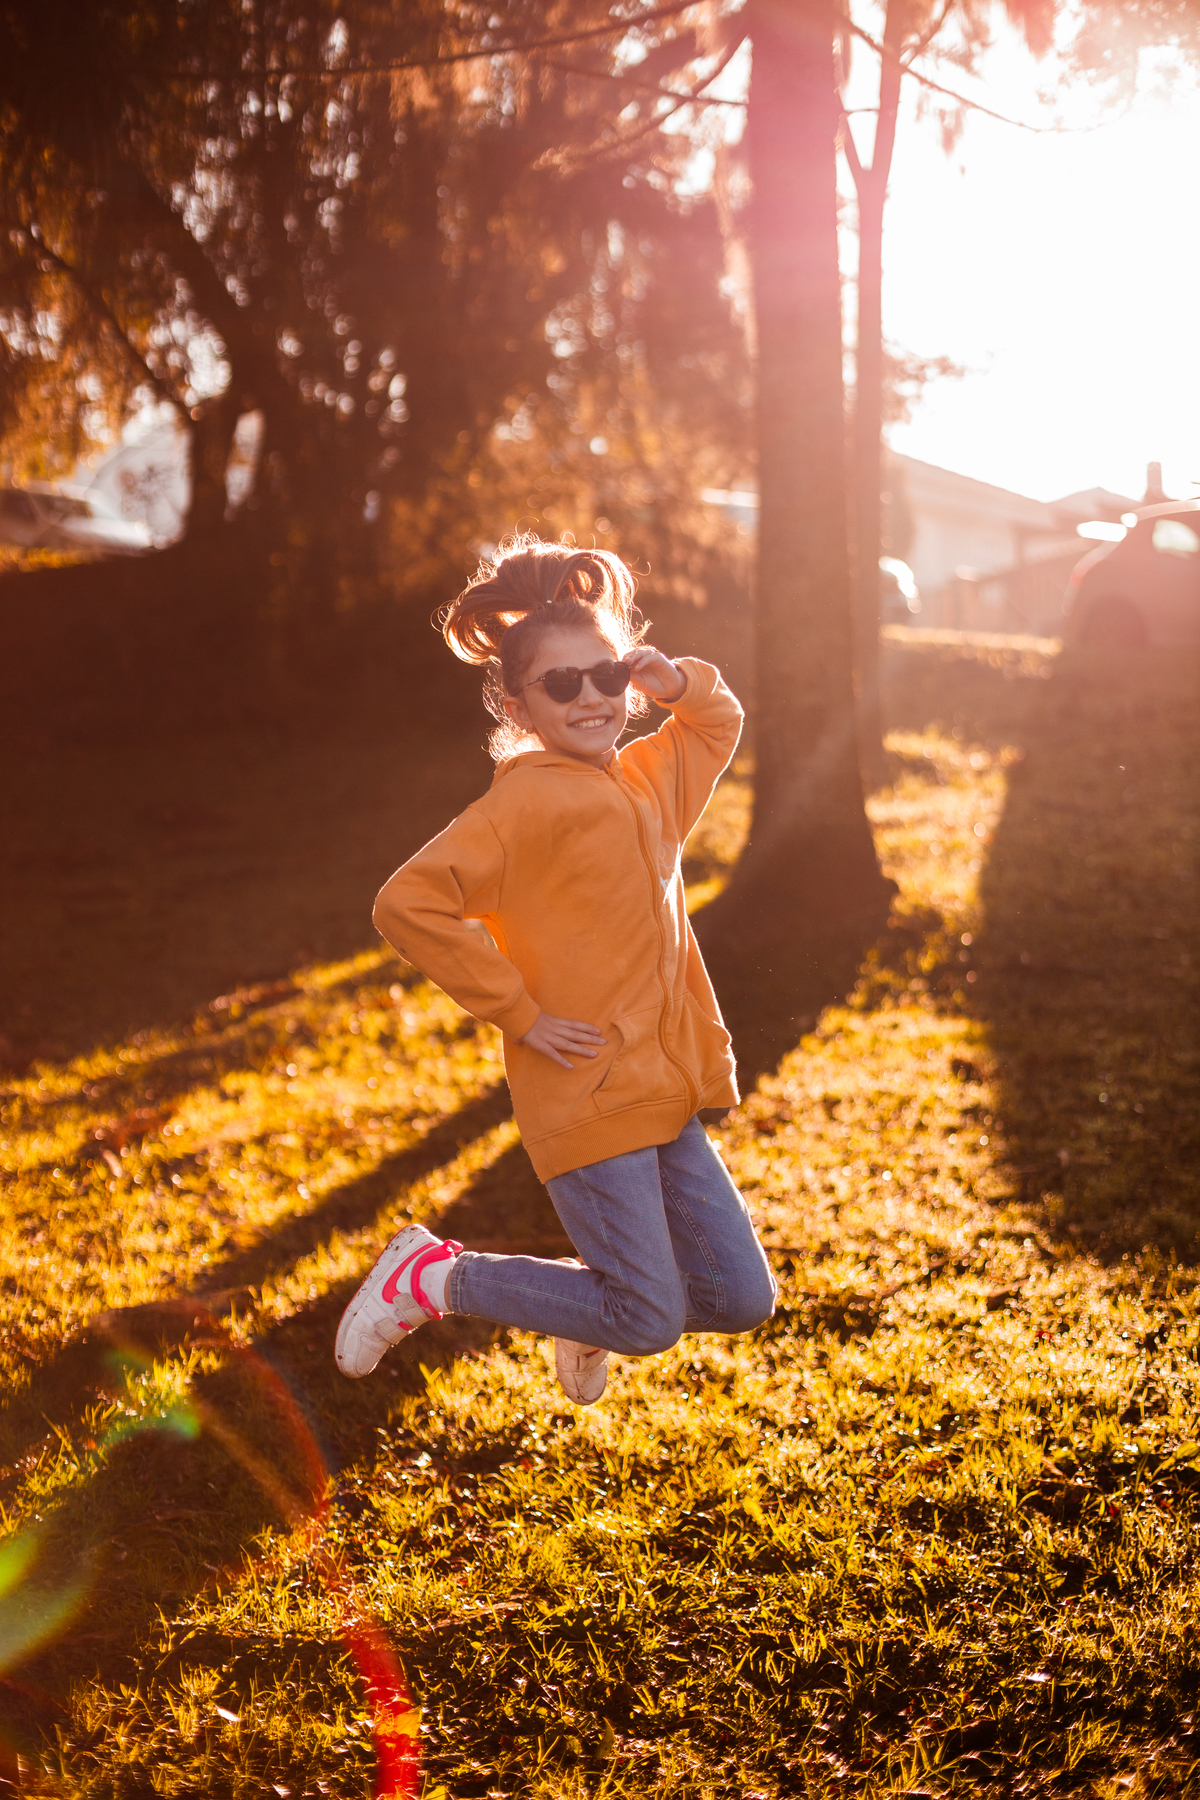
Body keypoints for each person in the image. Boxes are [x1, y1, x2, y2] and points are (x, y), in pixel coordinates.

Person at [335, 536, 776, 1403]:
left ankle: (580, 1312)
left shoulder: (651, 779)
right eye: (561, 683)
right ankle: (431, 1278)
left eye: (606, 675)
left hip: (665, 1088)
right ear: (516, 699)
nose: (591, 698)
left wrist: (671, 679)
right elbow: (405, 903)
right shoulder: (522, 805)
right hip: (583, 1089)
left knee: (740, 1295)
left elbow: (717, 722)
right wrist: (521, 1013)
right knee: (648, 1320)